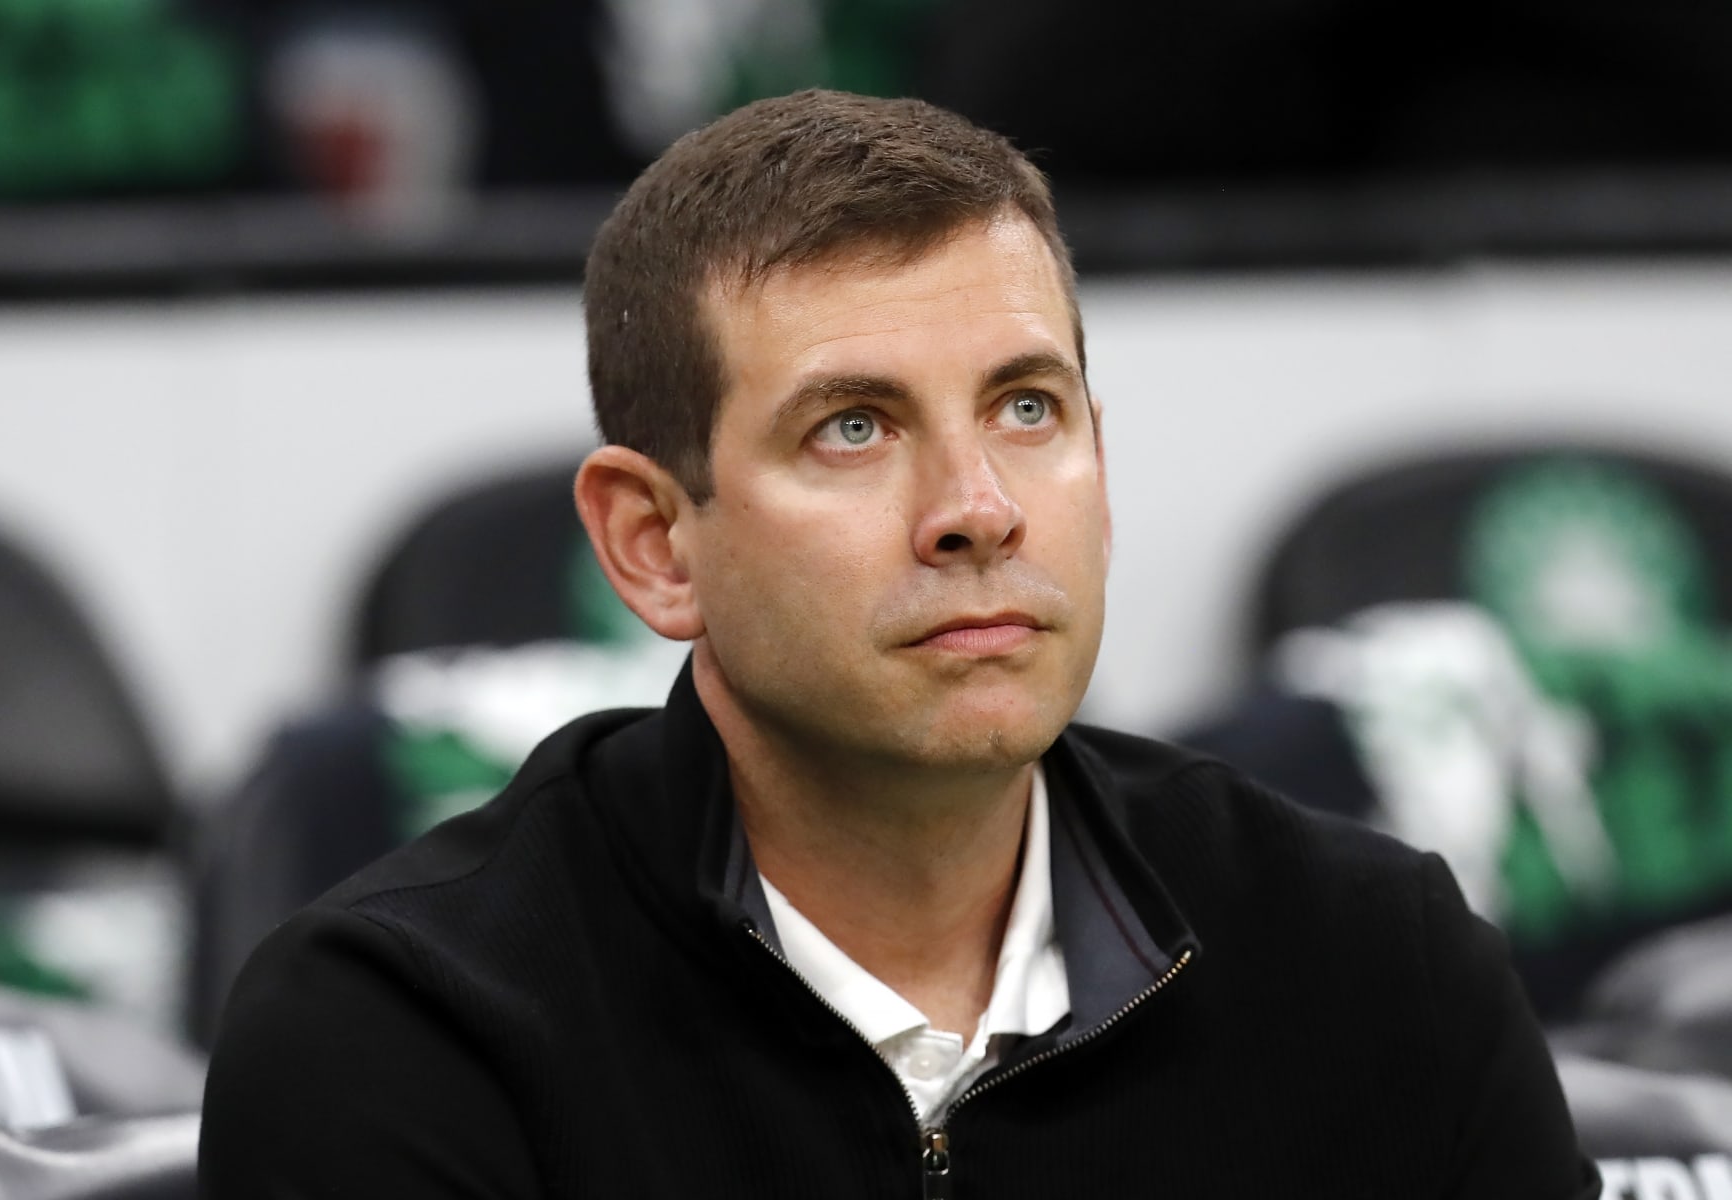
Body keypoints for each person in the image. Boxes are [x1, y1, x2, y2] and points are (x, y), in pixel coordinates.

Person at [199, 90, 1598, 1197]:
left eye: (1028, 409)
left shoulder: (1375, 966)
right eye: (852, 428)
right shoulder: (405, 1033)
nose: (977, 511)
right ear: (653, 543)